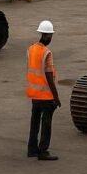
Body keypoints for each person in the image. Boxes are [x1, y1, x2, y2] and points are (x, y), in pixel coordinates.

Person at [26, 20, 60, 161]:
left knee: (34, 122)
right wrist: (56, 96)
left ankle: (32, 149)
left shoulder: (31, 49)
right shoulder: (47, 52)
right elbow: (49, 75)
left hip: (34, 94)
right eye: (50, 35)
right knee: (46, 123)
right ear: (47, 36)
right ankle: (43, 151)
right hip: (45, 95)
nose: (51, 38)